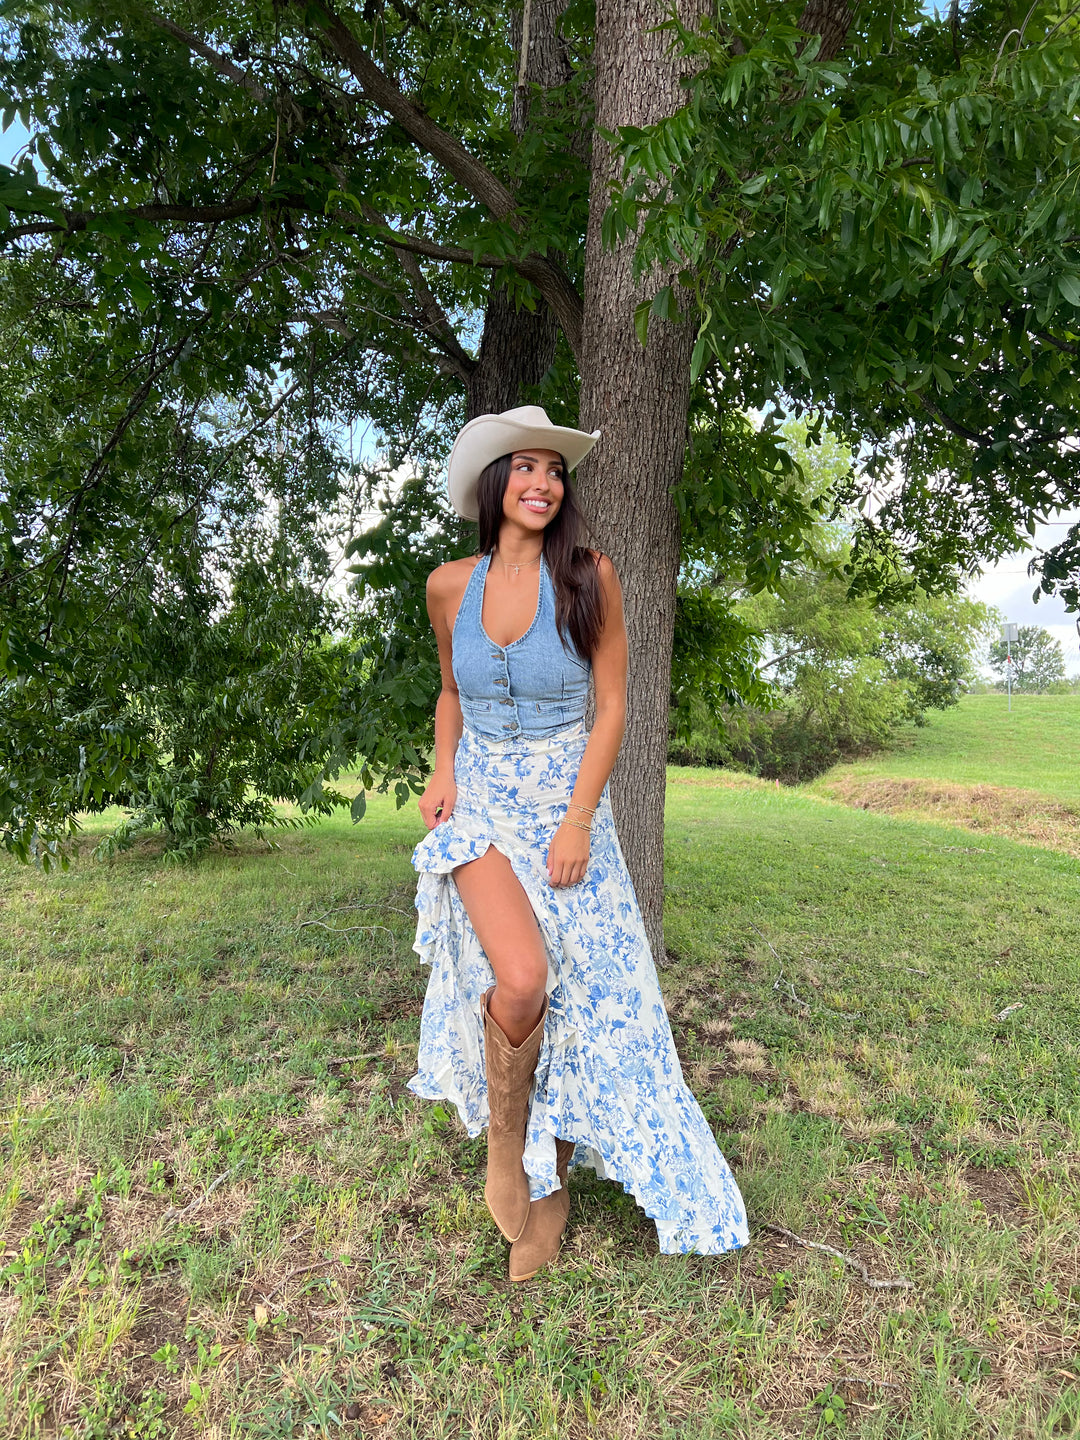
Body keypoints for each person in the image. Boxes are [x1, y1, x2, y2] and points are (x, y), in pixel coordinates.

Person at [408, 405, 748, 1282]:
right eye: (525, 467)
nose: (543, 483)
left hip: (565, 809)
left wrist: (578, 821)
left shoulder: (590, 575)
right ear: (496, 482)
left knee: (588, 996)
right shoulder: (449, 585)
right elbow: (450, 692)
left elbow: (615, 706)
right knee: (521, 978)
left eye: (555, 470)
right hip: (480, 809)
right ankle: (508, 1142)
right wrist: (441, 770)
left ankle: (548, 1189)